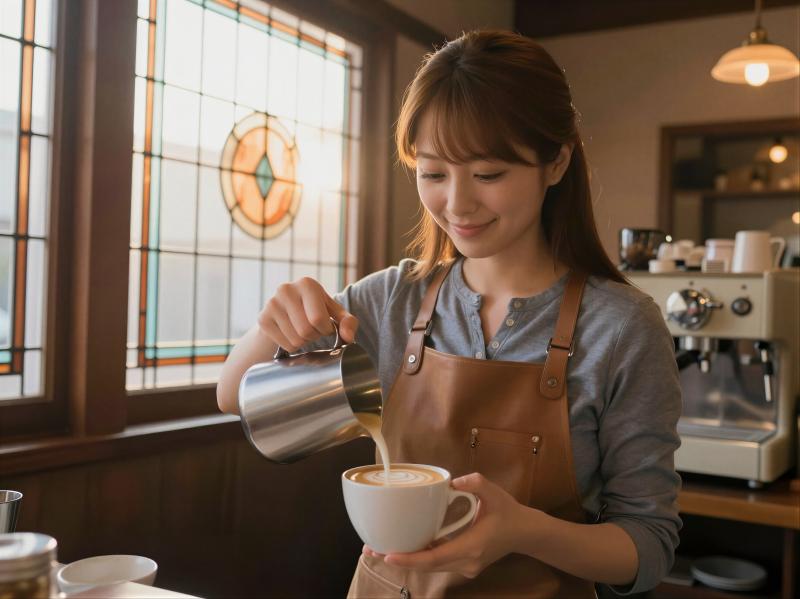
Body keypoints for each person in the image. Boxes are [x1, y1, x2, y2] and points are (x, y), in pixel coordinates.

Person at [217, 29, 681, 598]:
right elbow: (233, 394)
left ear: (556, 163)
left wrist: (521, 531)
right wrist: (273, 326)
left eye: (488, 174)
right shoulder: (390, 300)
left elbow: (649, 545)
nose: (457, 205)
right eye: (433, 174)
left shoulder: (622, 328)